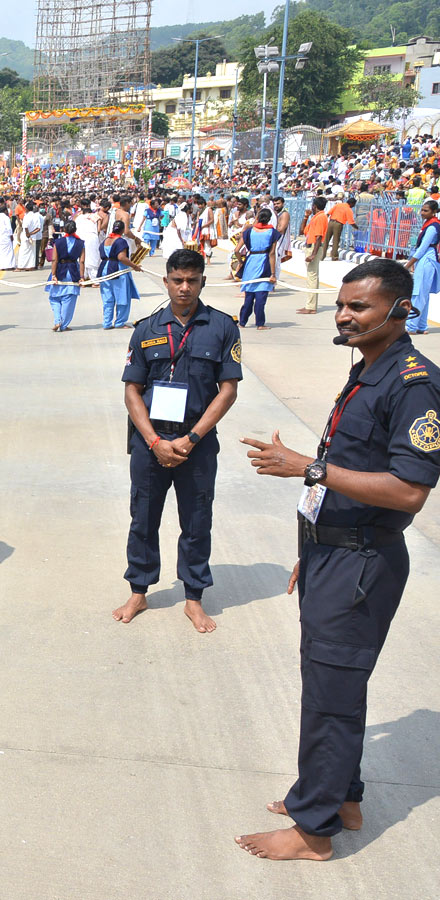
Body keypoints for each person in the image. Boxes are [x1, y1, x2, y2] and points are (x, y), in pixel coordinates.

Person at [236, 259, 440, 861]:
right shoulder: (369, 369)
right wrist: (312, 547)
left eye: (360, 308)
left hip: (362, 564)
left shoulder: (413, 384)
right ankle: (340, 797)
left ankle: (313, 830)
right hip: (335, 554)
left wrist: (309, 467)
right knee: (337, 687)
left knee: (329, 695)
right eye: (343, 304)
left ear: (399, 311)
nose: (344, 315)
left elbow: (409, 490)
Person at [114, 249, 242, 634]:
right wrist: (154, 442)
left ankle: (193, 597)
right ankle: (139, 590)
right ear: (166, 280)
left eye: (192, 280)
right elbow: (132, 391)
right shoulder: (146, 328)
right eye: (177, 280)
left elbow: (228, 390)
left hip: (197, 443)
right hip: (151, 443)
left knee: (198, 520)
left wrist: (192, 437)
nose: (184, 288)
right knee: (143, 517)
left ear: (203, 281)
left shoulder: (222, 327)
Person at [238, 208, 281, 330]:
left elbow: (236, 250)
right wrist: (273, 274)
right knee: (261, 298)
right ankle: (260, 323)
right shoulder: (272, 232)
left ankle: (242, 322)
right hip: (264, 264)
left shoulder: (249, 231)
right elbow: (272, 253)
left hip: (251, 263)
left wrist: (241, 262)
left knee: (249, 297)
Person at [404, 198, 439, 335]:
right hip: (425, 259)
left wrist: (408, 264)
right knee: (423, 294)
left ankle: (411, 326)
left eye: (426, 210)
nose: (422, 212)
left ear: (434, 212)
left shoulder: (432, 227)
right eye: (422, 210)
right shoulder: (428, 224)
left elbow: (422, 248)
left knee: (418, 293)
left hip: (427, 259)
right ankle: (422, 326)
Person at [100, 220, 142, 330]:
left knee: (107, 298)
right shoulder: (121, 241)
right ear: (123, 230)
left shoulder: (106, 240)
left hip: (104, 269)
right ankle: (120, 322)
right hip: (117, 269)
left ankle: (107, 322)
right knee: (122, 296)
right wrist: (134, 266)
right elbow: (121, 257)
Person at [46, 220, 84, 332]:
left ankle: (57, 320)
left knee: (54, 297)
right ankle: (63, 324)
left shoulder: (58, 242)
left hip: (60, 270)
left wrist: (53, 274)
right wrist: (81, 276)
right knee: (69, 299)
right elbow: (81, 261)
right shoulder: (80, 243)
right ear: (75, 230)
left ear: (63, 230)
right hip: (73, 271)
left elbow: (54, 259)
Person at [298, 196, 329, 315]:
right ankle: (310, 305)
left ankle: (311, 306)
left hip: (313, 248)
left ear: (314, 206)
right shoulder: (315, 217)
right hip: (310, 246)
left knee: (312, 277)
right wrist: (306, 217)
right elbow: (302, 231)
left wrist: (313, 254)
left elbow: (319, 237)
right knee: (311, 276)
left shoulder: (321, 217)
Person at [325, 195, 356, 261]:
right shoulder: (348, 209)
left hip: (331, 222)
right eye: (354, 205)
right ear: (351, 204)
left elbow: (328, 213)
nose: (354, 206)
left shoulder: (338, 205)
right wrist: (357, 228)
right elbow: (351, 222)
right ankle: (334, 257)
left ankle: (322, 255)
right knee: (335, 241)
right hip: (338, 224)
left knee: (326, 239)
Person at [0, 204, 16, 272]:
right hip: (6, 237)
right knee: (8, 252)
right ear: (5, 211)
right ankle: (9, 265)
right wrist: (11, 236)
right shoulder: (6, 218)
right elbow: (9, 228)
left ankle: (1, 266)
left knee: (0, 252)